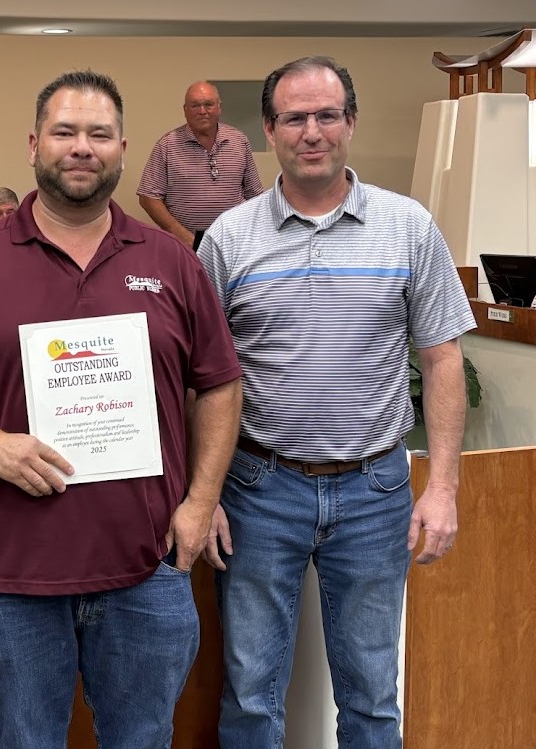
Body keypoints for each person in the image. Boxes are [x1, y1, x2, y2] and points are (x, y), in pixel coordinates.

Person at [0, 70, 243, 749]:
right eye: (64, 132)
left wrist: (201, 499)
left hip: (146, 568)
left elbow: (218, 382)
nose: (81, 147)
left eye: (98, 134)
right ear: (34, 143)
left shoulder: (173, 263)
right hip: (11, 573)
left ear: (123, 148)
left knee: (143, 739)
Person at [196, 56, 477, 749]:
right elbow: (196, 377)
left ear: (350, 123)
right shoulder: (228, 239)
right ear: (268, 130)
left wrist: (441, 487)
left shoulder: (408, 226)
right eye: (293, 117)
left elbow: (442, 359)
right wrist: (198, 495)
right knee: (251, 692)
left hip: (375, 488)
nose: (310, 131)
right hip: (258, 490)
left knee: (372, 695)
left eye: (326, 115)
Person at [138, 81, 263, 250]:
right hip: (185, 246)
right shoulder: (167, 145)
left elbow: (255, 195)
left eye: (208, 104)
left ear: (219, 107)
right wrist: (183, 237)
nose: (202, 111)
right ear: (185, 110)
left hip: (234, 244)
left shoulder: (239, 141)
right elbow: (148, 198)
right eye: (195, 105)